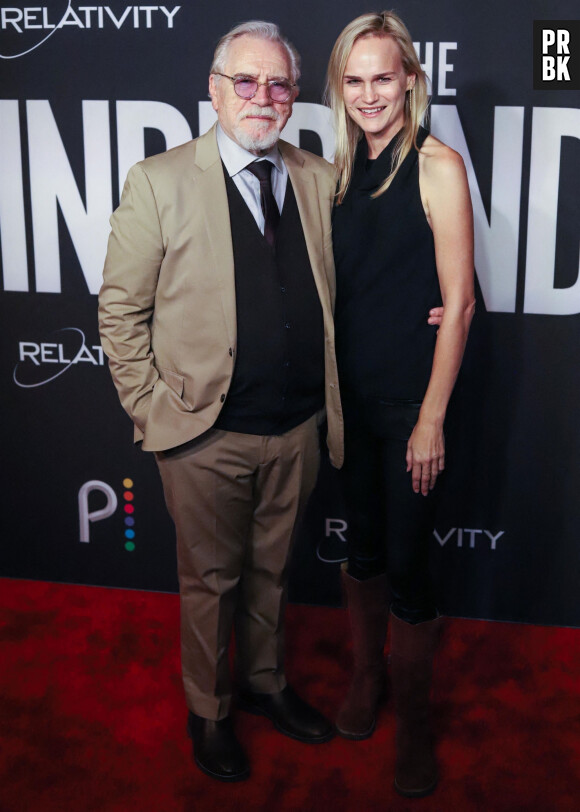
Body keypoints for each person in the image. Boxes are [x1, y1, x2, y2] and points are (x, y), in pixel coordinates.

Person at [98, 21, 344, 783]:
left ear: (294, 97)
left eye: (277, 85)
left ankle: (265, 685)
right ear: (214, 89)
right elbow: (120, 312)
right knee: (211, 583)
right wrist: (153, 410)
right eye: (246, 81)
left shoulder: (315, 176)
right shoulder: (159, 181)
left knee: (272, 574)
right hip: (204, 436)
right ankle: (209, 711)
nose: (262, 98)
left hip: (298, 427)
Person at [326, 11, 475, 798]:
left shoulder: (436, 164)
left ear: (412, 79)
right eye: (354, 80)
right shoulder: (339, 168)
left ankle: (414, 719)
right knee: (363, 551)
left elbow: (460, 302)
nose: (369, 93)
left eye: (384, 77)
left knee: (411, 565)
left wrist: (430, 418)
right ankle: (364, 680)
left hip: (409, 408)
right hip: (347, 406)